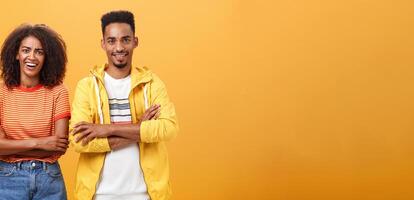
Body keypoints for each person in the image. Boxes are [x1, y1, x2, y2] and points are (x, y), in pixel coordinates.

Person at [70, 10, 179, 200]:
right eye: (111, 41)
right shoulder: (87, 86)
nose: (119, 47)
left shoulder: (152, 83)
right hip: (99, 194)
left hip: (146, 194)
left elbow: (169, 128)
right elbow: (79, 141)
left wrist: (105, 129)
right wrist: (139, 127)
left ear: (135, 41)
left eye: (125, 39)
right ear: (103, 43)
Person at [0, 24, 70, 200]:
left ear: (47, 57)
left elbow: (59, 146)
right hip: (7, 180)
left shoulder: (58, 91)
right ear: (16, 54)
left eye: (39, 52)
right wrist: (40, 143)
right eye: (26, 50)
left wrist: (11, 146)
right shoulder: (1, 92)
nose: (32, 57)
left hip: (49, 180)